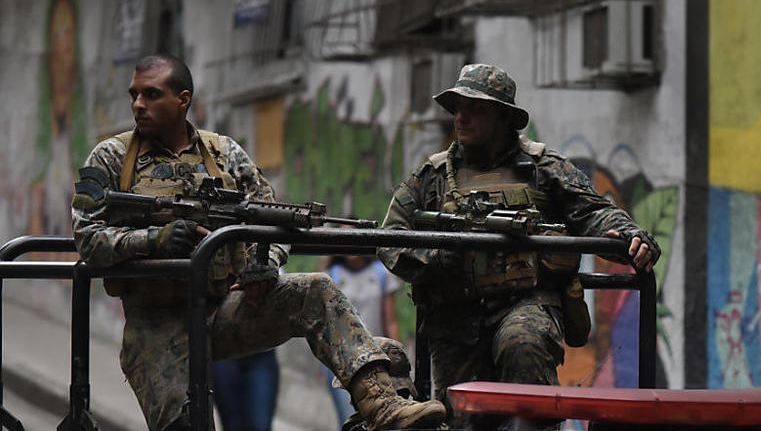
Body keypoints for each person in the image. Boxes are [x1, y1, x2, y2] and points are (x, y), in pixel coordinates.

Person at [71, 54, 446, 431]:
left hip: (224, 307)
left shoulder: (225, 154)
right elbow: (87, 237)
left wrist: (261, 267)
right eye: (134, 94)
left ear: (183, 99)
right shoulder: (110, 158)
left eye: (151, 94)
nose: (138, 104)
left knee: (316, 290)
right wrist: (155, 239)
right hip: (155, 325)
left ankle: (381, 407)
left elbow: (269, 218)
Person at [377, 63, 661, 427]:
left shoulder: (544, 168)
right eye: (456, 108)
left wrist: (631, 238)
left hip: (527, 301)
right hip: (455, 317)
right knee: (461, 416)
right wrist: (438, 259)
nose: (460, 117)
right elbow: (390, 239)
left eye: (475, 108)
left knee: (523, 343)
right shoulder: (432, 178)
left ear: (503, 118)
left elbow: (597, 213)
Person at [319, 241, 402, 425]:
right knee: (351, 420)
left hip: (376, 359)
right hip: (341, 364)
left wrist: (398, 361)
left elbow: (391, 320)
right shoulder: (330, 276)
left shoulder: (380, 272)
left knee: (380, 418)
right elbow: (323, 326)